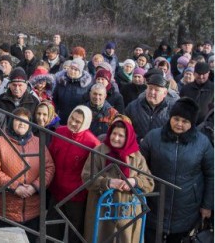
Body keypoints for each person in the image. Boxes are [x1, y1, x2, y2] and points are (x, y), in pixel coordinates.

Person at [141, 98, 214, 242]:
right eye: (176, 119)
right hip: (154, 205)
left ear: (192, 123)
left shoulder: (202, 143)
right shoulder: (153, 137)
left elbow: (211, 175)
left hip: (187, 210)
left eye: (185, 121)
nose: (179, 124)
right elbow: (139, 167)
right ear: (170, 117)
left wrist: (207, 205)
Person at [0, 107, 56, 243]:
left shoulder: (38, 142)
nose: (22, 124)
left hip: (33, 207)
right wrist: (15, 186)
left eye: (26, 121)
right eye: (18, 120)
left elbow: (49, 168)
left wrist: (34, 187)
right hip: (6, 209)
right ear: (11, 121)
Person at [82, 116, 155, 243]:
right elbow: (87, 177)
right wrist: (108, 182)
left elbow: (149, 182)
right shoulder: (98, 152)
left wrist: (135, 181)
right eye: (114, 133)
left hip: (128, 213)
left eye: (121, 136)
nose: (115, 138)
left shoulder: (136, 156)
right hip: (102, 210)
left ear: (128, 138)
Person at [47, 106, 100, 243]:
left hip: (76, 195)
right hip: (56, 191)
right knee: (52, 229)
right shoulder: (59, 132)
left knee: (74, 232)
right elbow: (50, 157)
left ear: (86, 123)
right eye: (72, 119)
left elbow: (91, 171)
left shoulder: (92, 143)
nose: (73, 123)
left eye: (78, 122)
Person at [125, 73, 175, 141]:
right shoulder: (133, 106)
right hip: (137, 147)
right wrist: (138, 139)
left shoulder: (172, 109)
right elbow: (125, 127)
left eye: (156, 90)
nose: (152, 92)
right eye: (150, 88)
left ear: (165, 93)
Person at [53, 58, 92, 125]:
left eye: (76, 70)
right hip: (60, 118)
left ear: (81, 71)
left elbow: (87, 103)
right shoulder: (60, 81)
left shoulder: (86, 85)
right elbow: (55, 99)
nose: (72, 71)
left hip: (76, 120)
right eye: (71, 68)